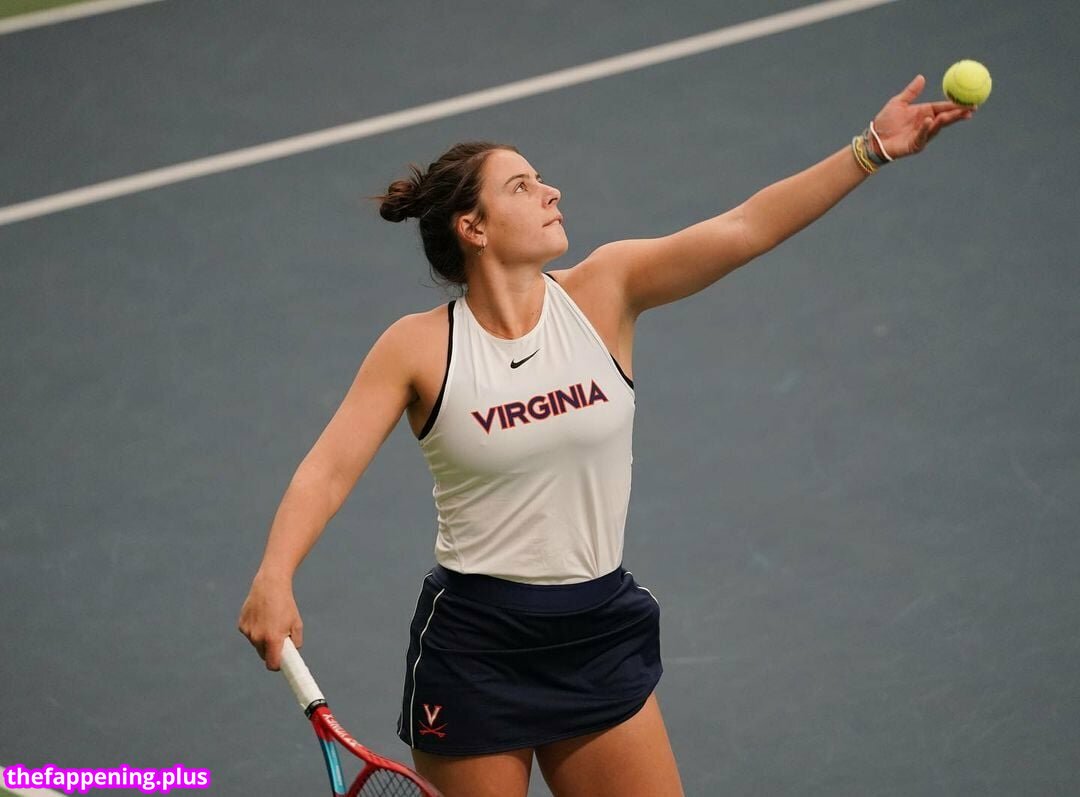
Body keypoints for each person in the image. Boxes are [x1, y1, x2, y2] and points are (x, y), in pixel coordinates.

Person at [239, 75, 974, 796]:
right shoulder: (418, 347)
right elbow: (328, 469)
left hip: (596, 634)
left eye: (541, 179)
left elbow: (745, 228)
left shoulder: (605, 290)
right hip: (477, 649)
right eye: (522, 186)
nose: (550, 191)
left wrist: (871, 148)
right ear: (474, 228)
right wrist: (275, 573)